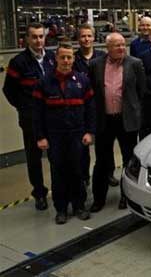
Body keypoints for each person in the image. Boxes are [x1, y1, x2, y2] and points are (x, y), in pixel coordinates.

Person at [32, 43, 95, 224]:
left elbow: (91, 108)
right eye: (63, 57)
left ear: (73, 59)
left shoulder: (82, 80)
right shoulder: (44, 83)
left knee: (78, 170)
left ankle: (79, 206)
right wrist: (40, 136)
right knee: (58, 171)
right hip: (55, 135)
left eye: (69, 57)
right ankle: (61, 209)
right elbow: (37, 113)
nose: (66, 61)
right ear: (55, 59)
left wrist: (90, 132)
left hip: (77, 134)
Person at [89, 32, 146, 212]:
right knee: (102, 161)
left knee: (129, 160)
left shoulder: (134, 64)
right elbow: (92, 93)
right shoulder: (95, 65)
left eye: (123, 44)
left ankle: (126, 196)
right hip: (104, 120)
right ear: (108, 48)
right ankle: (99, 199)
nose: (122, 48)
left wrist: (135, 111)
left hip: (126, 120)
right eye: (117, 45)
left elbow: (141, 91)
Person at [3, 22, 55, 211]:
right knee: (34, 158)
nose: (38, 40)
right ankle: (39, 193)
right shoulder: (18, 62)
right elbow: (9, 90)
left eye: (41, 36)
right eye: (34, 37)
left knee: (56, 155)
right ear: (27, 39)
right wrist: (25, 109)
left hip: (52, 117)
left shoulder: (51, 58)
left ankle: (59, 189)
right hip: (31, 119)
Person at [73, 24, 105, 186]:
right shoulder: (72, 59)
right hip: (80, 109)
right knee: (82, 146)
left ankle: (106, 173)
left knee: (103, 145)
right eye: (83, 36)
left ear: (94, 38)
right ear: (78, 39)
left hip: (100, 108)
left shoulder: (102, 57)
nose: (86, 39)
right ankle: (84, 176)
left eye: (89, 36)